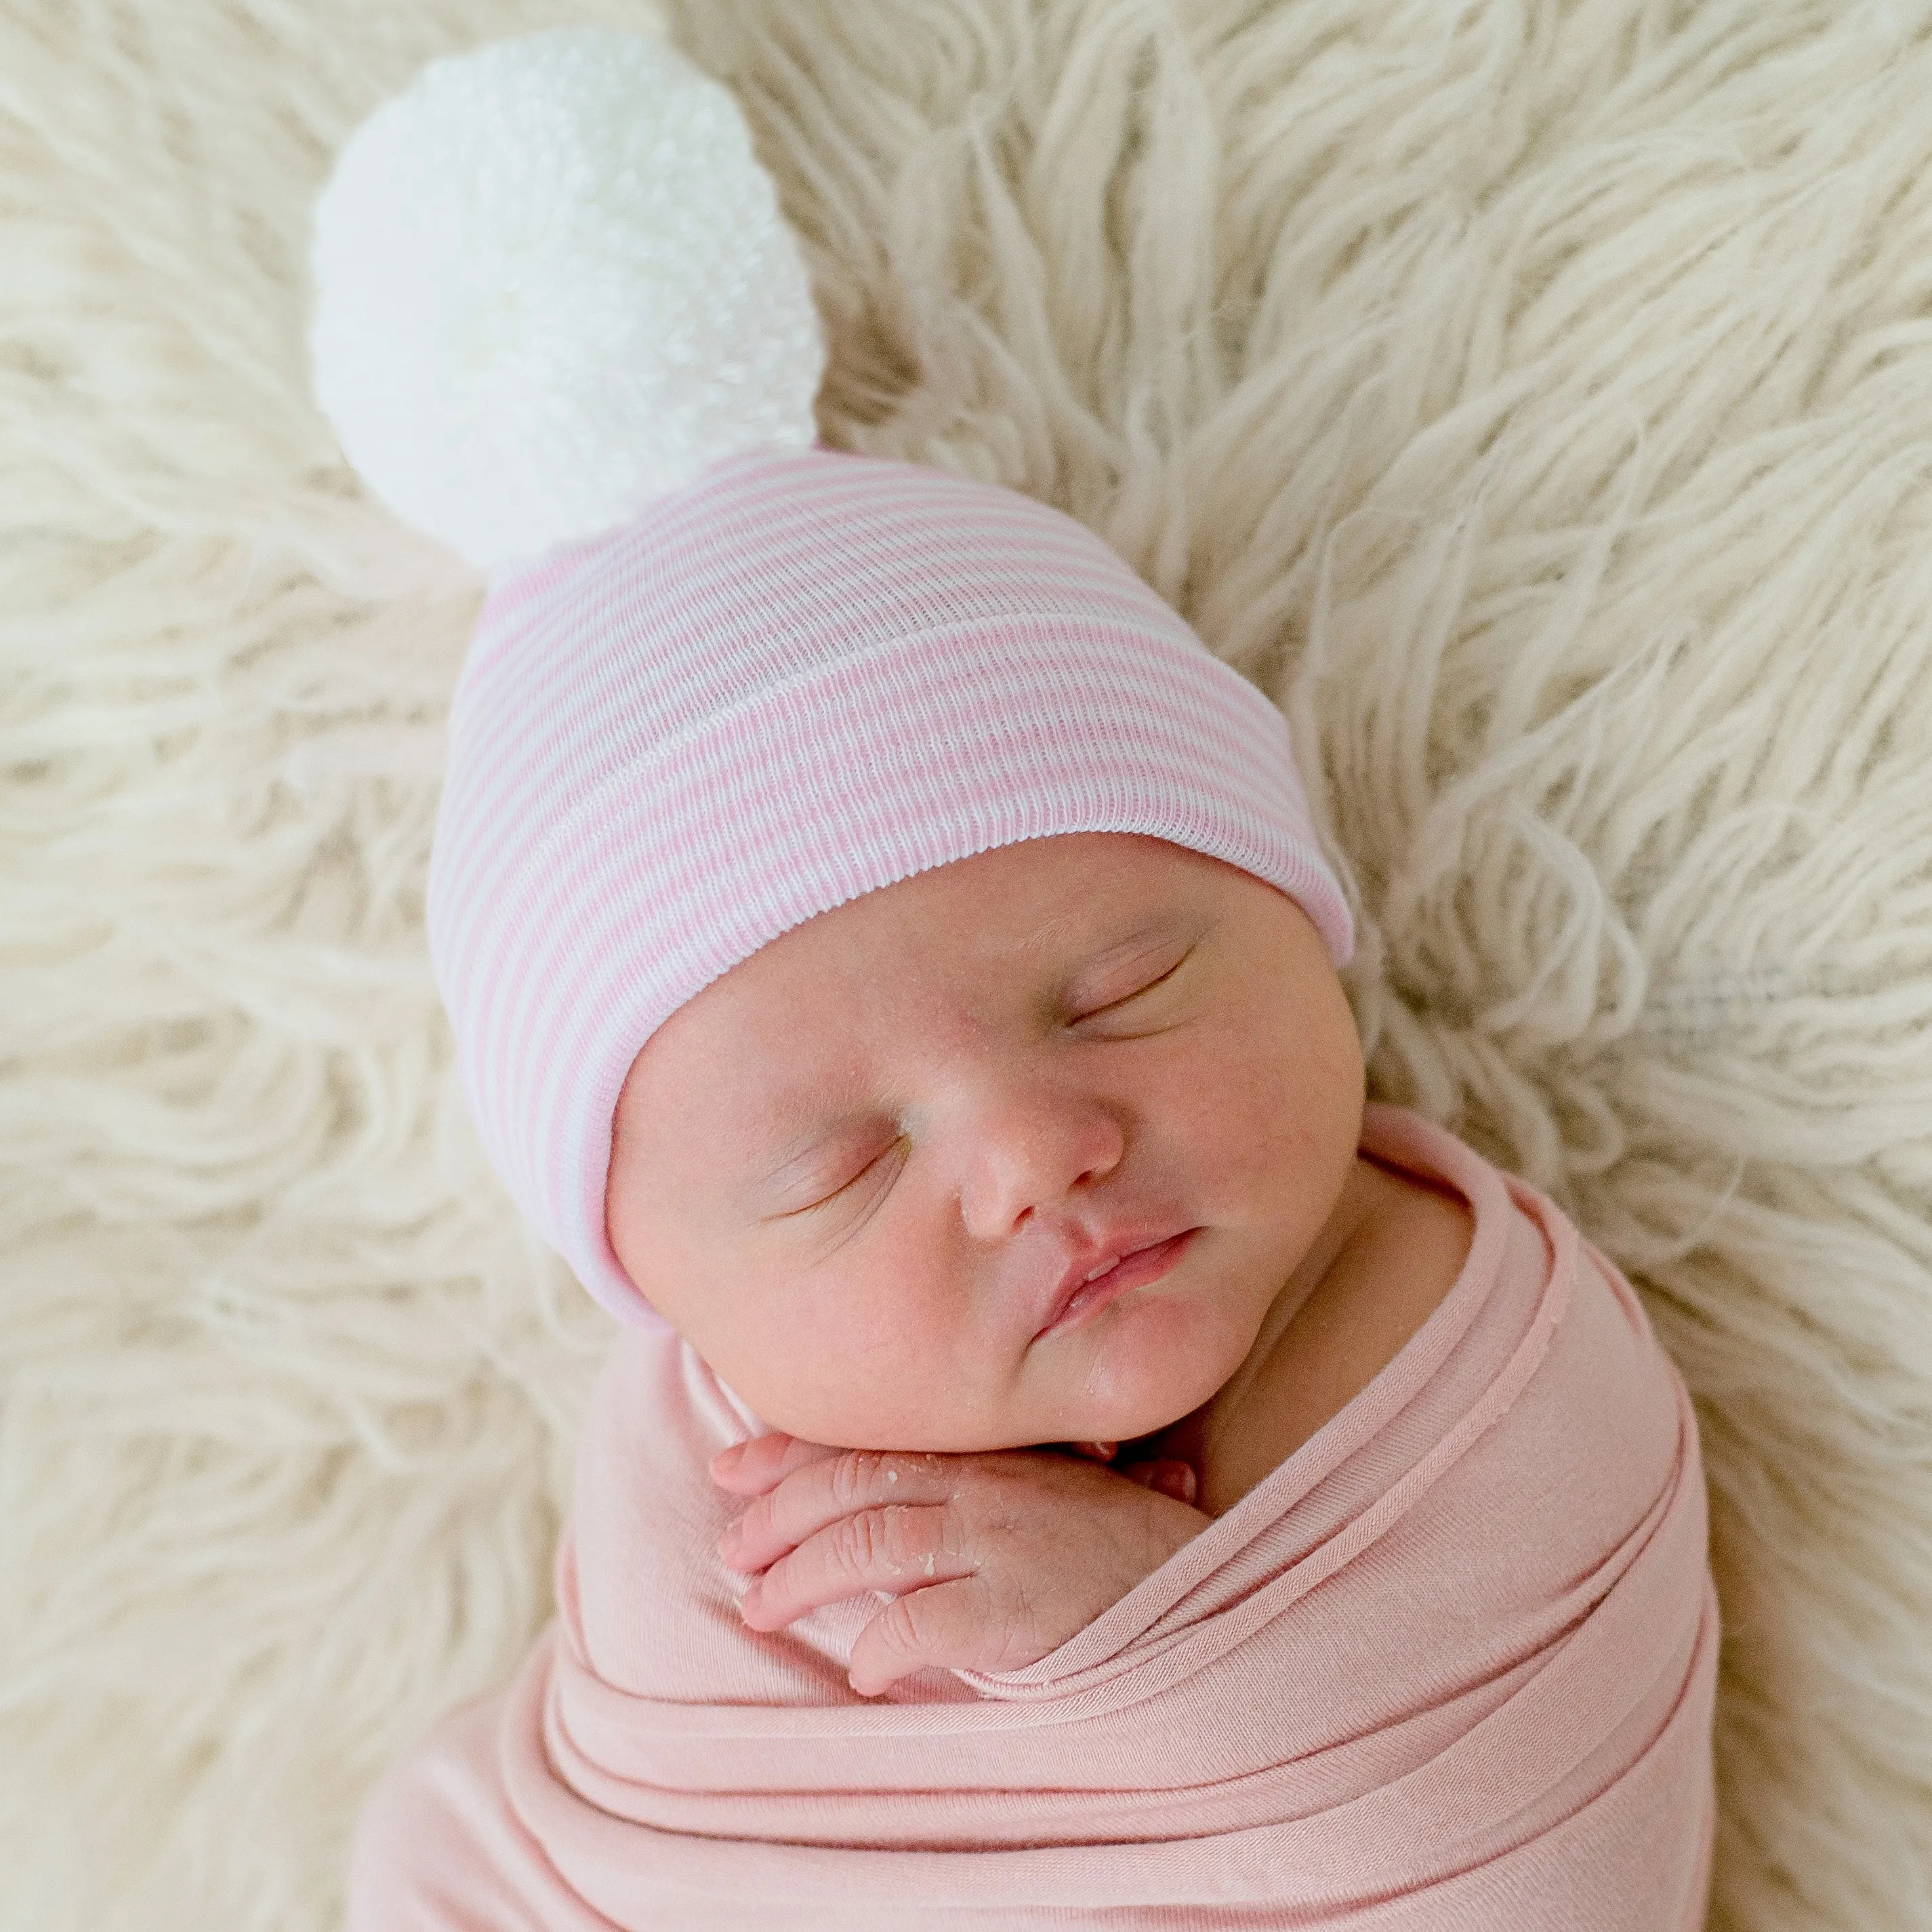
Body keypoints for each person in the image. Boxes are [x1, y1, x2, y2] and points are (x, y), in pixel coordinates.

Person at [312, 25, 1719, 1928]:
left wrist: (1148, 1649)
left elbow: (1537, 1848)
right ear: (662, 1289)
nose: (1034, 1154)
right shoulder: (704, 1509)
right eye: (836, 1167)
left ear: (1302, 925)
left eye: (1123, 988)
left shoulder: (1460, 1347)